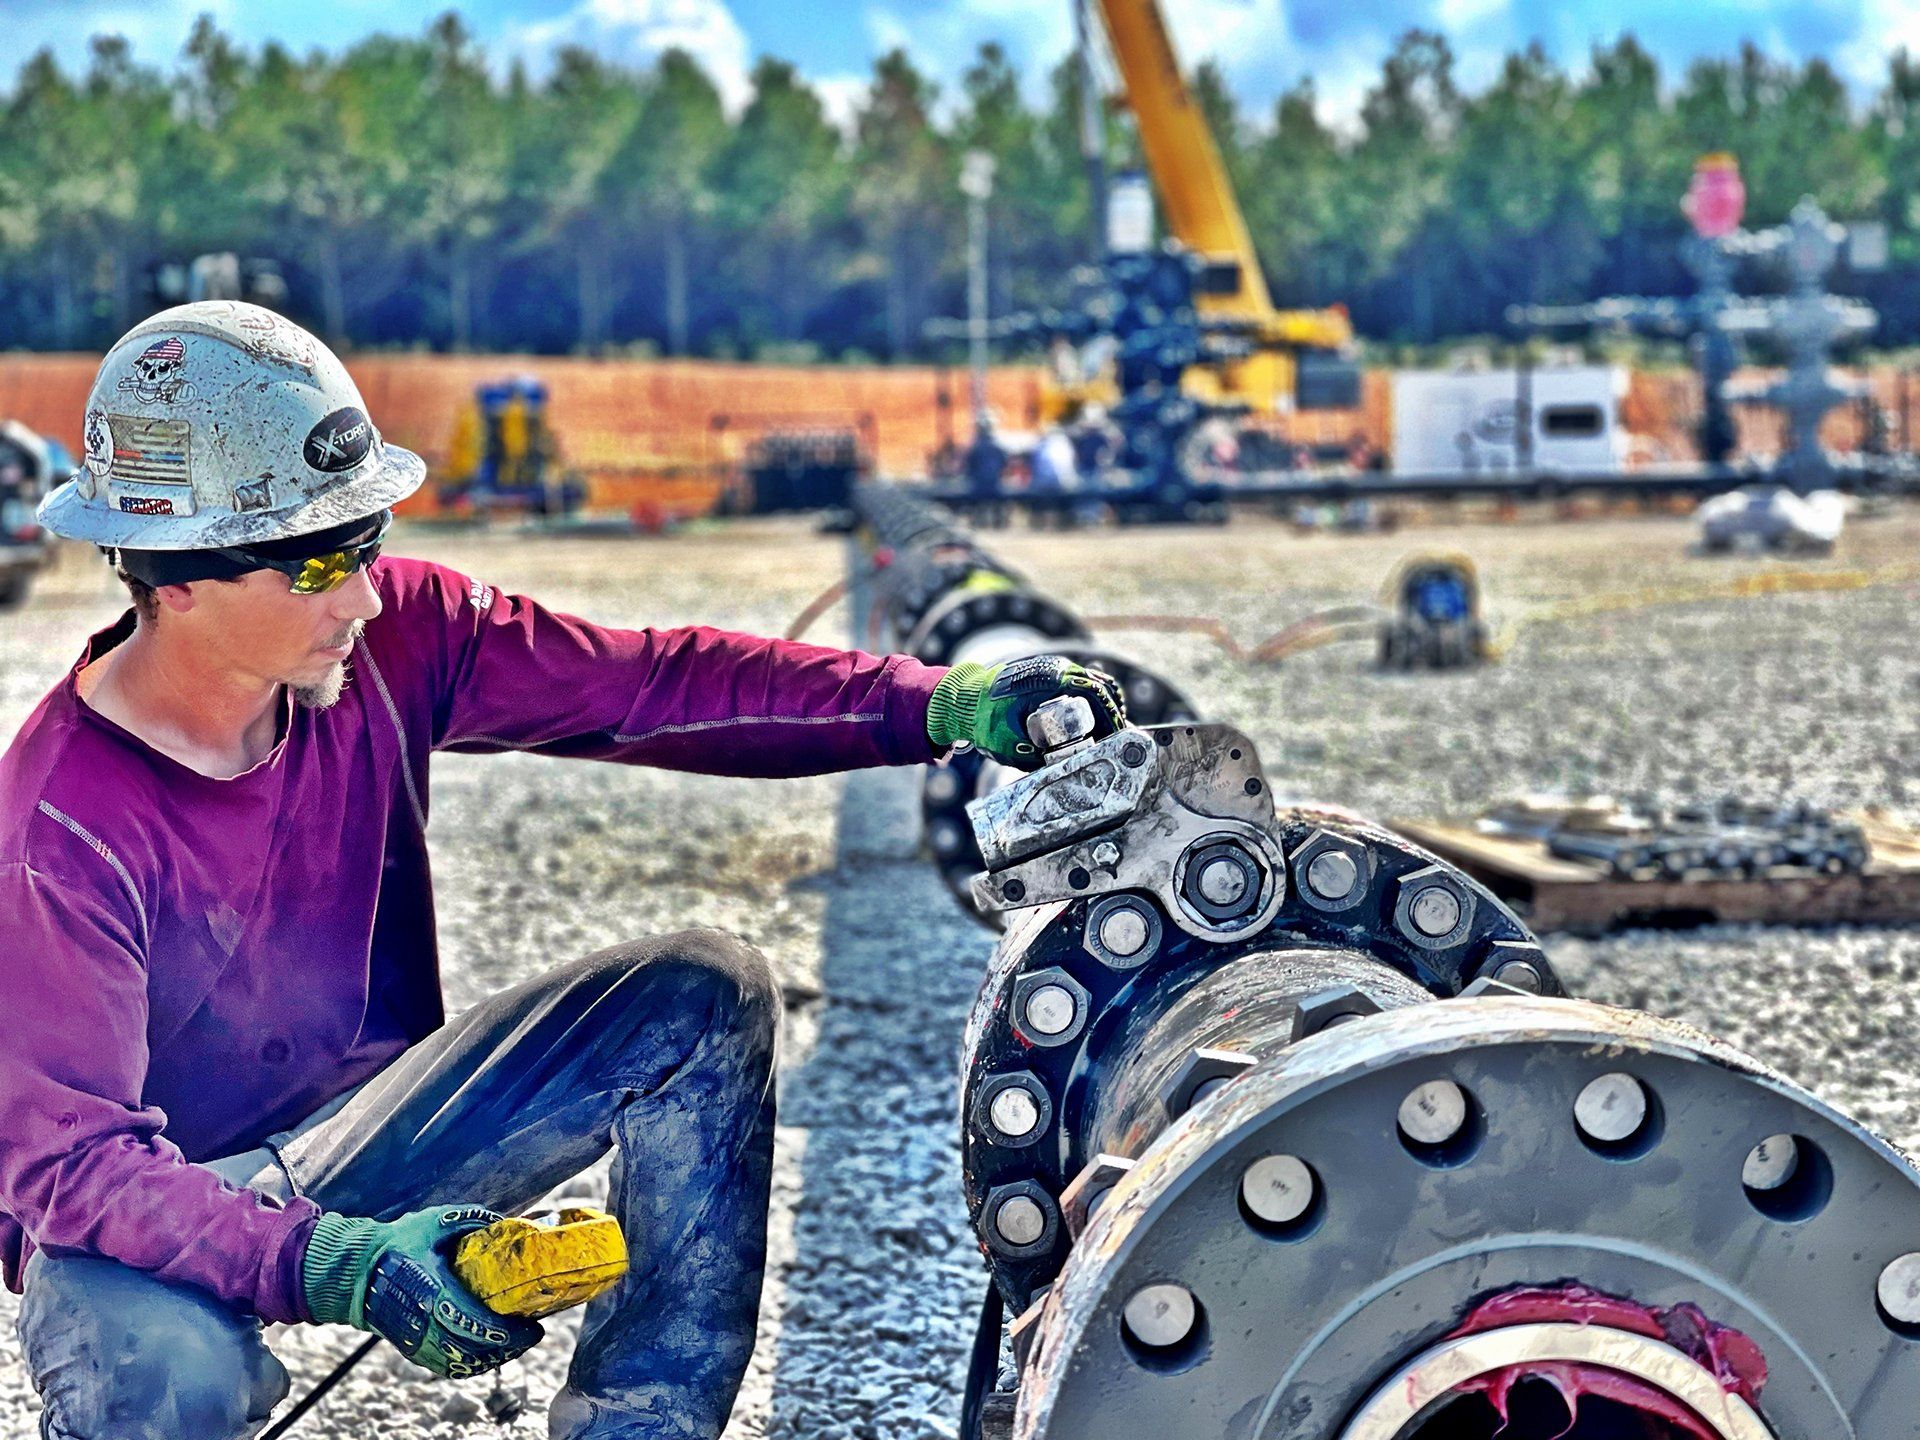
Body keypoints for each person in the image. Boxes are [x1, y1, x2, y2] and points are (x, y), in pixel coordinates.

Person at [0, 303, 1126, 1440]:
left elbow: (650, 688)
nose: (365, 597)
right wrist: (336, 1266)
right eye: (319, 564)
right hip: (153, 1217)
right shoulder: (59, 828)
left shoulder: (393, 643)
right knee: (155, 1372)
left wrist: (926, 704)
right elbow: (74, 1167)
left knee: (701, 998)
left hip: (361, 1134)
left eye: (370, 545)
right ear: (178, 575)